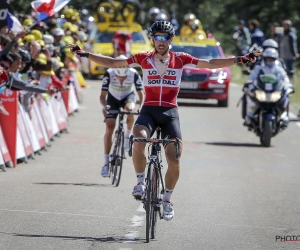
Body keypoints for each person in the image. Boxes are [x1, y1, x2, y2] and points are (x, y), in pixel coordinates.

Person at [66, 20, 259, 221]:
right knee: (138, 139)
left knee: (174, 159)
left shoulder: (181, 59)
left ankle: (167, 199)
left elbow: (211, 64)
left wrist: (241, 59)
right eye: (157, 37)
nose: (160, 41)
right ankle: (140, 182)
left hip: (169, 113)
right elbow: (113, 63)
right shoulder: (143, 58)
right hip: (149, 110)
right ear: (152, 39)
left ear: (170, 40)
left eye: (164, 37)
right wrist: (83, 54)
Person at [100, 55, 144, 177]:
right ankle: (105, 163)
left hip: (127, 96)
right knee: (110, 127)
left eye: (124, 77)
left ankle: (127, 135)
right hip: (112, 99)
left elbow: (141, 94)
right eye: (119, 76)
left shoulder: (134, 73)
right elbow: (102, 96)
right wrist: (104, 106)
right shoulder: (109, 73)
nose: (121, 79)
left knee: (130, 110)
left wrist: (141, 106)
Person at [243, 48, 294, 127]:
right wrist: (248, 84)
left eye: (271, 59)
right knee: (250, 96)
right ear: (264, 58)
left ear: (275, 59)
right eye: (268, 58)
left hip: (274, 91)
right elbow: (252, 78)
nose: (269, 60)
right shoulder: (259, 68)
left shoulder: (279, 69)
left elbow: (285, 79)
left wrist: (288, 86)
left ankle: (283, 116)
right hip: (262, 91)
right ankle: (251, 115)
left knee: (285, 98)